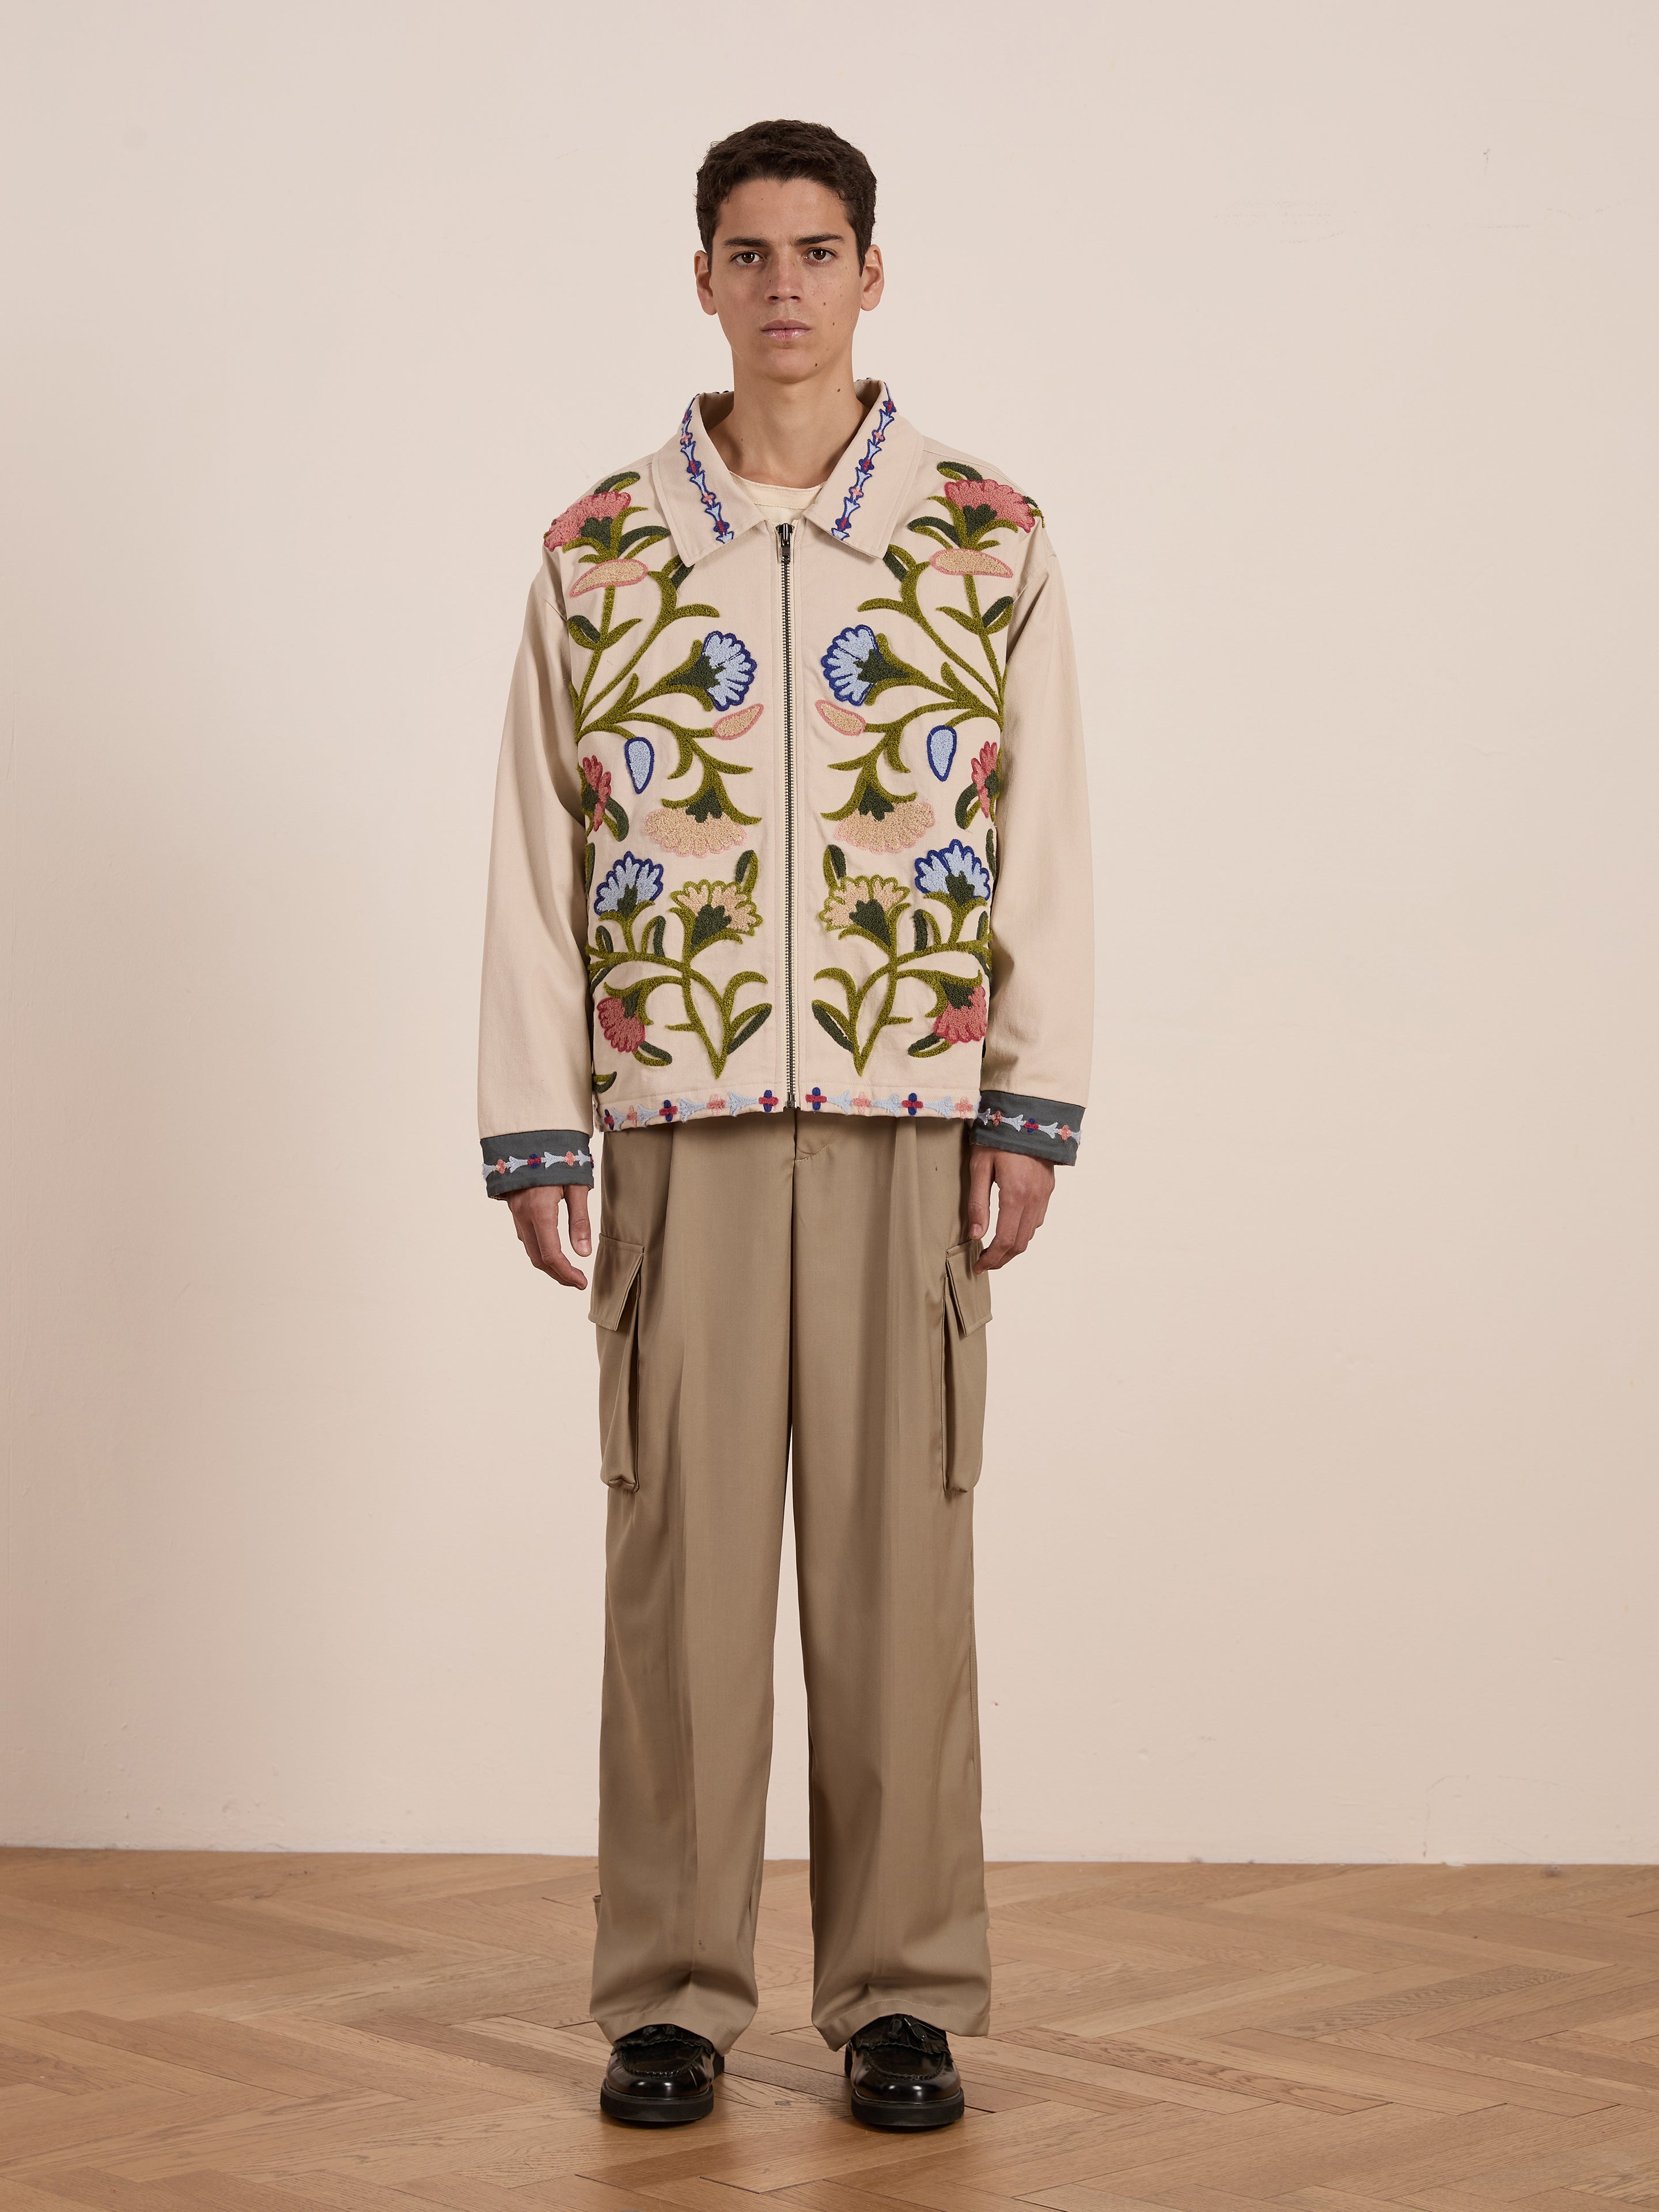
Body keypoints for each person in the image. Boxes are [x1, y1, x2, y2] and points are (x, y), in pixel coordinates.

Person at [476, 118, 1093, 2131]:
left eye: (817, 250)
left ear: (873, 271)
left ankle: (900, 1997)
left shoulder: (984, 538)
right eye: (748, 253)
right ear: (704, 277)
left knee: (904, 1574)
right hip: (680, 1121)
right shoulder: (599, 549)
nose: (784, 288)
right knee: (679, 1576)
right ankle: (668, 1995)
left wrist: (1032, 1096)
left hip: (914, 1115)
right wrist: (539, 1124)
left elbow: (1045, 831)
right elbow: (529, 856)